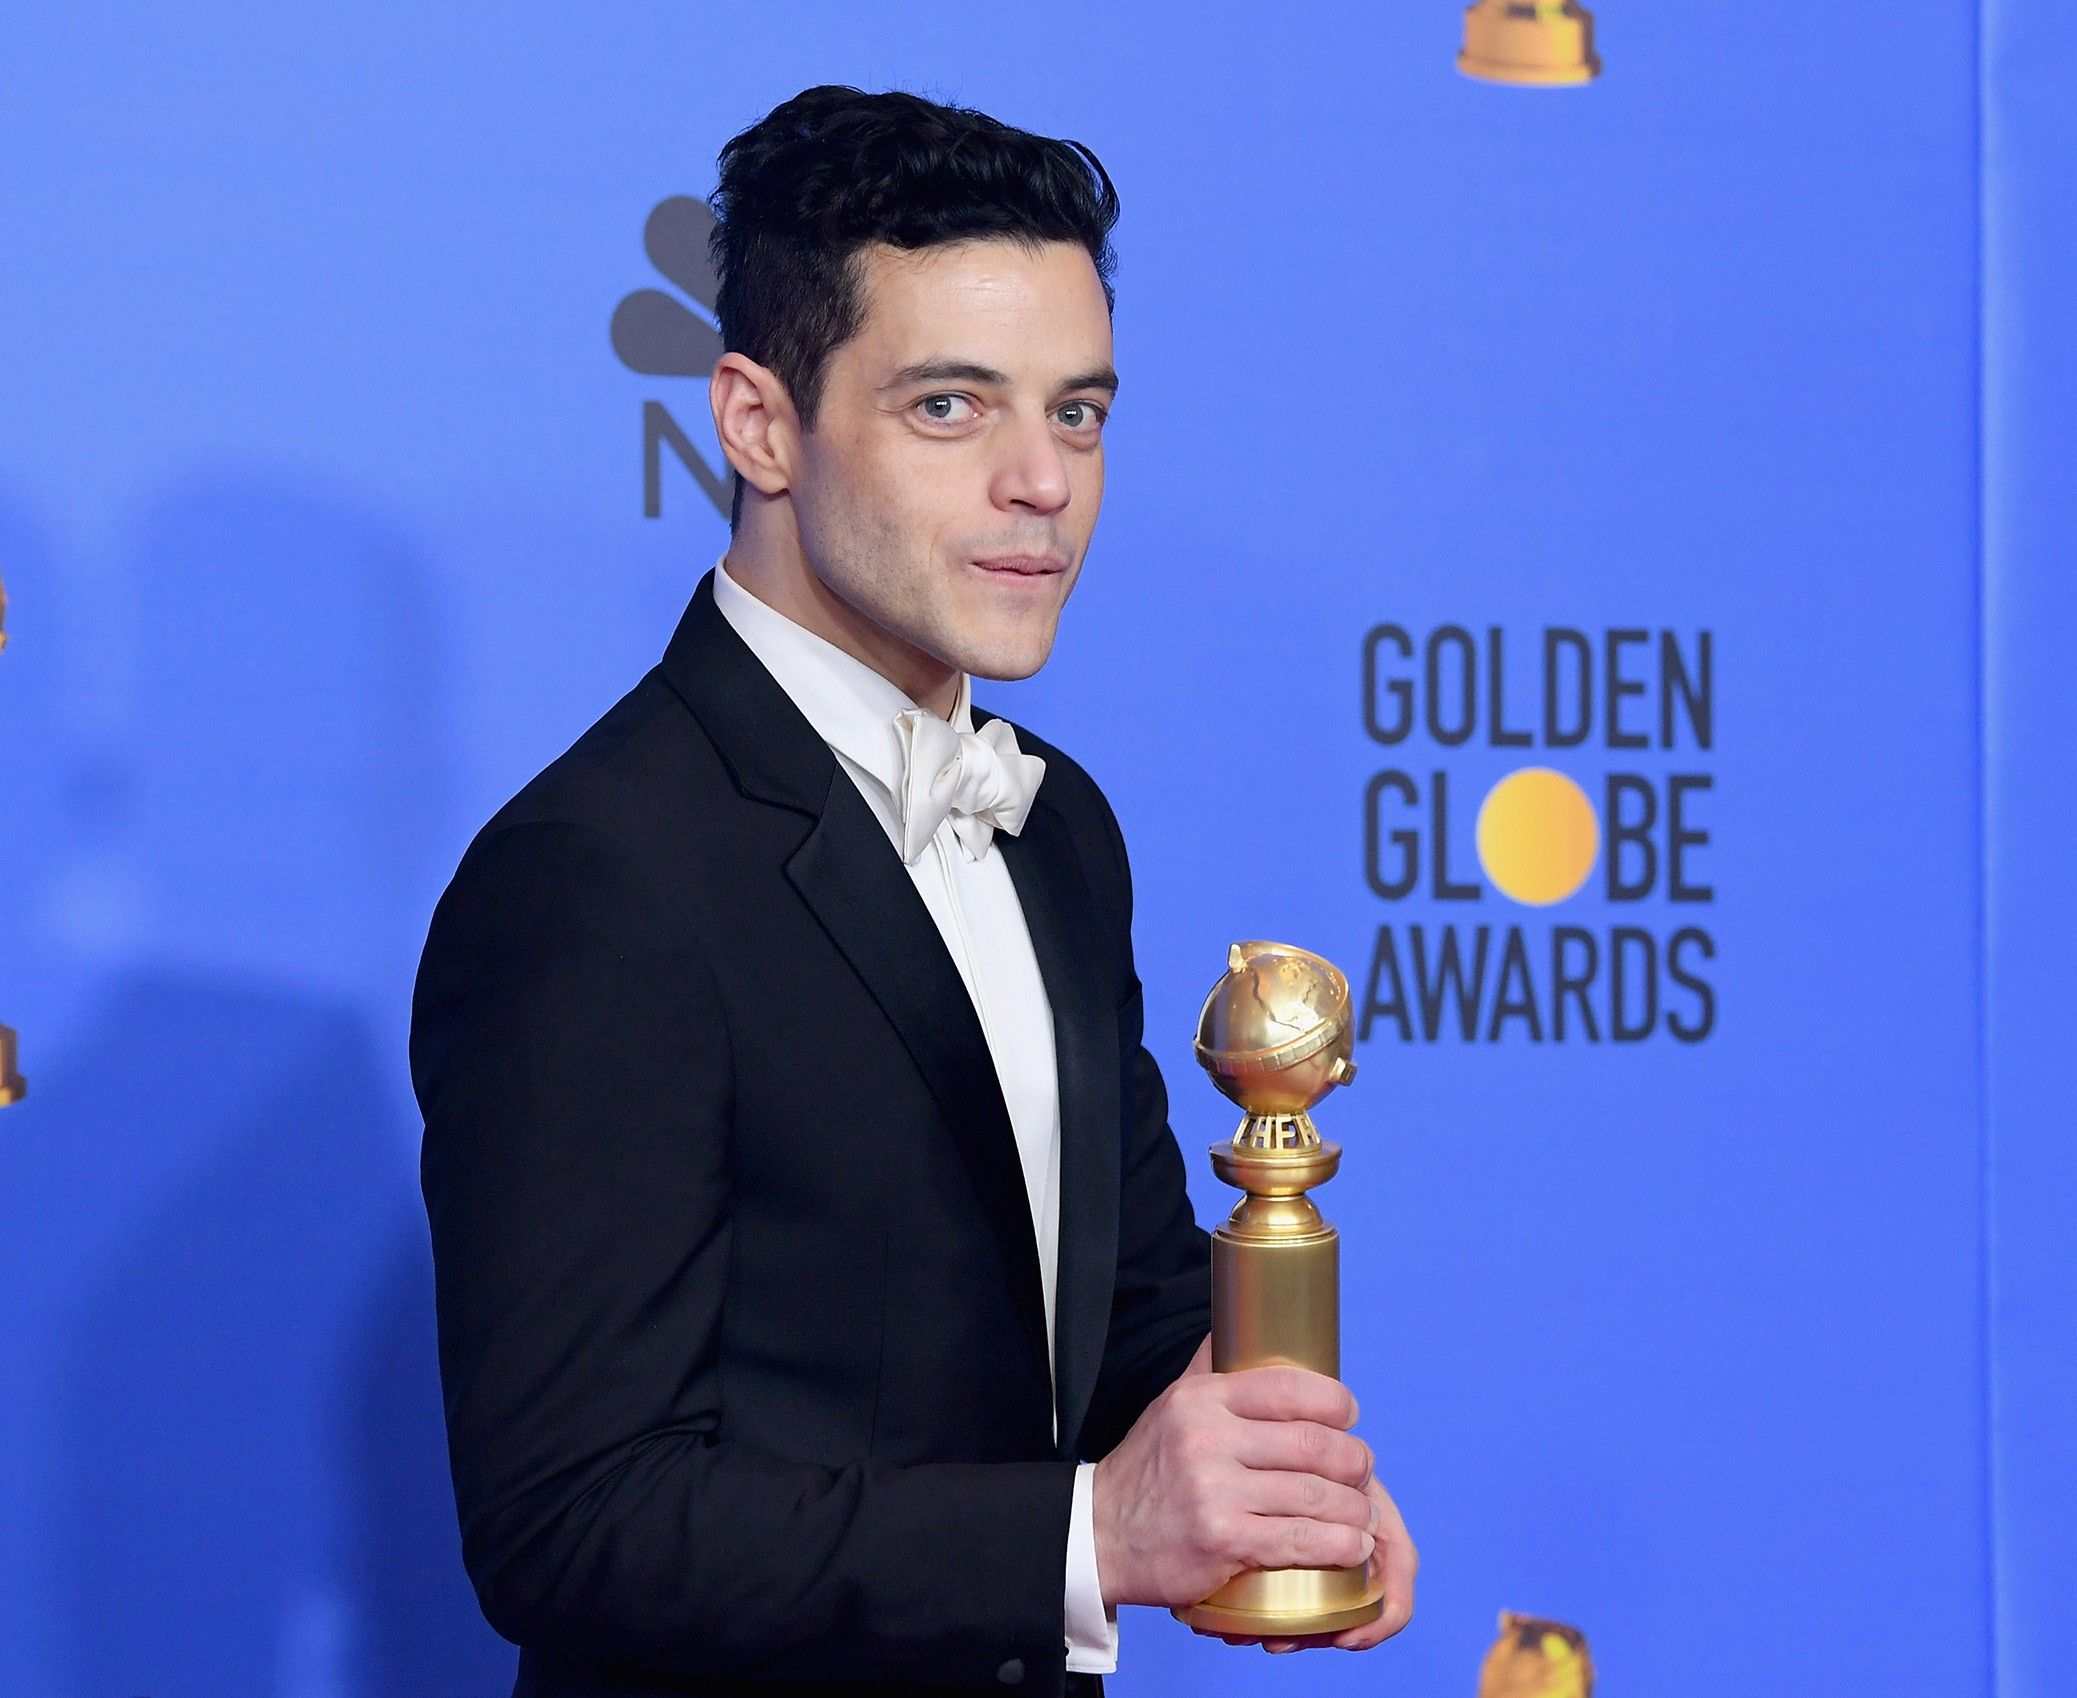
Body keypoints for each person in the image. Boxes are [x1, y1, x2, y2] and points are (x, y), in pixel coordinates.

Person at [410, 84, 1416, 1698]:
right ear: (756, 423)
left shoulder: (1058, 822)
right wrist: (1089, 1538)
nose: (1044, 482)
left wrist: (1286, 1479)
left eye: (1078, 412)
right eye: (953, 407)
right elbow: (572, 1518)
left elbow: (1136, 1313)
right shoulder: (597, 877)